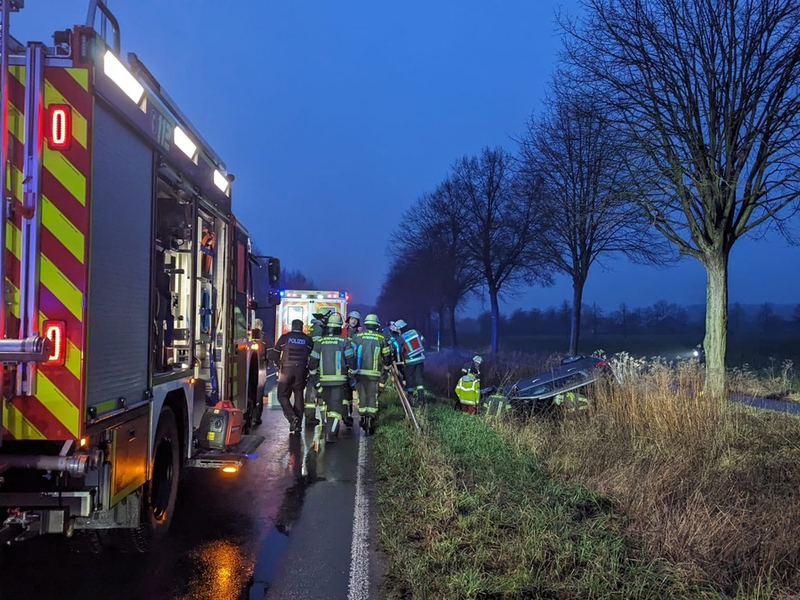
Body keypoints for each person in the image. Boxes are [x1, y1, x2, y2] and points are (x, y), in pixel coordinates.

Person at [308, 313, 356, 443]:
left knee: (328, 406)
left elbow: (312, 363)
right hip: (339, 382)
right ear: (340, 327)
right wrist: (352, 372)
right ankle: (331, 433)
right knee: (335, 410)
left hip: (323, 381)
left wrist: (314, 379)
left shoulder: (319, 342)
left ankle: (328, 428)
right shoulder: (344, 341)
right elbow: (351, 359)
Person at [270, 319, 313, 435]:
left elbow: (274, 354)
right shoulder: (307, 340)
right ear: (302, 327)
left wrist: (279, 365)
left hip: (286, 371)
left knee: (282, 396)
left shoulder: (285, 338)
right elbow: (313, 355)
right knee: (299, 395)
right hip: (301, 371)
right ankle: (297, 426)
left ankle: (292, 417)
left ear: (292, 326)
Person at [352, 314, 392, 435]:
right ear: (377, 325)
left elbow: (350, 355)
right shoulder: (381, 339)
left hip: (359, 373)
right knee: (372, 397)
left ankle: (363, 417)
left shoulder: (356, 337)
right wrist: (386, 368)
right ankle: (370, 420)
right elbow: (386, 357)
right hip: (374, 374)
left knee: (362, 396)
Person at [304, 310, 331, 429]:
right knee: (315, 392)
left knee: (313, 392)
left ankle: (311, 417)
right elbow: (319, 348)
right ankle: (318, 418)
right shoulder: (319, 329)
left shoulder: (314, 328)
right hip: (317, 364)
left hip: (313, 363)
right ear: (324, 318)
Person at [394, 319, 426, 407]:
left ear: (400, 328)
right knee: (419, 379)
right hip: (420, 359)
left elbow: (396, 347)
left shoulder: (401, 337)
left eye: (398, 330)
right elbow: (423, 341)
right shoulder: (415, 331)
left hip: (410, 361)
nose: (398, 331)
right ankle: (421, 399)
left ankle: (411, 397)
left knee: (409, 379)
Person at [341, 310, 361, 427]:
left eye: (355, 319)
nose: (353, 321)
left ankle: (348, 413)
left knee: (349, 391)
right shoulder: (343, 332)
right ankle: (344, 414)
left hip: (353, 365)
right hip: (342, 364)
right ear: (348, 320)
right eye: (352, 319)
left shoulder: (358, 334)